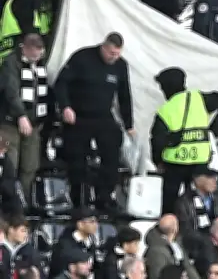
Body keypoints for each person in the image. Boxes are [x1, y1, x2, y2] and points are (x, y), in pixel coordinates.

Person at [151, 58, 218, 214]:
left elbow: (157, 140)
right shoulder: (199, 99)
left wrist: (158, 161)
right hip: (200, 163)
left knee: (169, 207)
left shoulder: (165, 110)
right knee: (201, 205)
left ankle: (170, 232)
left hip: (174, 165)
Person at [54, 32, 133, 209]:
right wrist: (65, 106)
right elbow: (61, 83)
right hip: (78, 115)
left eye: (118, 54)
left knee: (112, 153)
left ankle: (104, 195)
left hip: (103, 115)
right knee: (77, 158)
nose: (114, 57)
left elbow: (124, 95)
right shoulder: (82, 57)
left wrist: (129, 124)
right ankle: (78, 197)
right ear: (104, 47)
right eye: (111, 53)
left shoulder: (120, 66)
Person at [0, 33, 47, 199]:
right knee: (9, 164)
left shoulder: (40, 65)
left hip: (34, 123)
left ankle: (23, 200)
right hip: (9, 123)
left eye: (39, 53)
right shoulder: (10, 63)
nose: (36, 57)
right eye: (33, 53)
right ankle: (7, 203)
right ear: (24, 48)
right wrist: (20, 115)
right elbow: (11, 92)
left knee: (30, 165)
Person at [175, 167, 218, 241]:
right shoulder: (184, 202)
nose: (214, 181)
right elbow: (186, 230)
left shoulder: (217, 197)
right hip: (197, 243)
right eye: (210, 178)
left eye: (214, 178)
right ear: (198, 180)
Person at [144, 214, 201, 279]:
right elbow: (157, 275)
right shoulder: (156, 251)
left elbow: (187, 266)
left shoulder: (177, 244)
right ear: (175, 229)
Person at [50, 208, 101, 277]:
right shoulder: (64, 245)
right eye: (92, 221)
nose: (96, 225)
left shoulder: (91, 243)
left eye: (96, 221)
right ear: (80, 224)